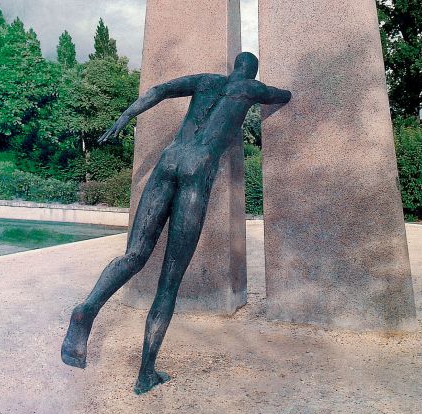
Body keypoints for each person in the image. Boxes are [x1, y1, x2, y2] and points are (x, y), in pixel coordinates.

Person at [61, 51, 291, 394]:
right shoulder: (252, 89)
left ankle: (86, 309)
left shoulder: (206, 81)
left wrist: (126, 115)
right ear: (251, 72)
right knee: (169, 280)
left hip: (169, 161)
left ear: (233, 67)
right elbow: (283, 96)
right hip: (197, 170)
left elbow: (161, 90)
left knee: (134, 256)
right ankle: (145, 374)